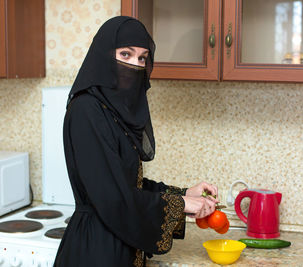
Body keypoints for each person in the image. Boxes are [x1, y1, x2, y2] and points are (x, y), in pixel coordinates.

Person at [54, 16, 219, 267]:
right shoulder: (87, 110)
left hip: (121, 244)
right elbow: (113, 197)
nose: (135, 64)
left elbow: (128, 184)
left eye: (142, 58)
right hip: (96, 252)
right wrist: (182, 204)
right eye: (126, 54)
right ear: (105, 55)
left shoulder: (112, 111)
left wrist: (185, 193)